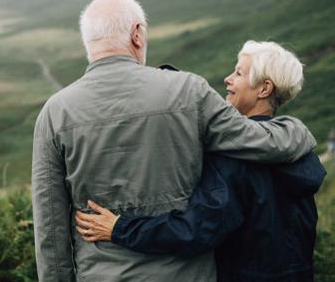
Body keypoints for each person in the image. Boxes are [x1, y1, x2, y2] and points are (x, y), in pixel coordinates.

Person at [31, 0, 316, 282]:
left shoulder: (54, 113)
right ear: (137, 34)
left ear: (88, 42)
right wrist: (298, 130)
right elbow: (260, 142)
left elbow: (50, 227)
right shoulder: (189, 91)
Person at [74, 41, 326, 282]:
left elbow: (195, 231)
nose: (228, 79)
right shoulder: (298, 152)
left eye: (238, 73)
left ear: (264, 89)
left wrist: (119, 228)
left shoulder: (236, 159)